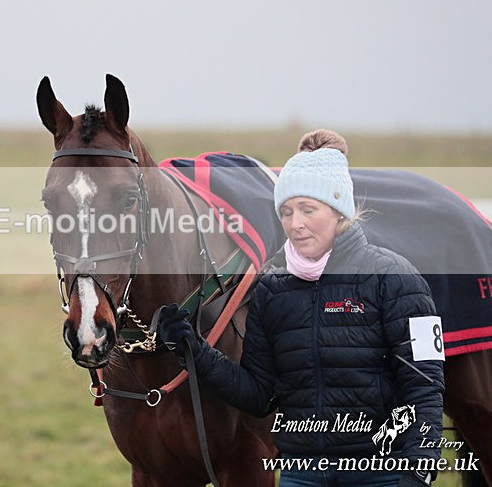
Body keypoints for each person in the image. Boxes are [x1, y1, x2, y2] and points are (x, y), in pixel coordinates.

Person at [158, 130, 445, 486]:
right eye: (287, 212)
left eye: (308, 210)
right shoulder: (272, 291)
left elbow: (424, 388)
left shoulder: (399, 279)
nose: (296, 224)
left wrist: (419, 471)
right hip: (302, 474)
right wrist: (195, 351)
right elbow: (259, 396)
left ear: (339, 210)